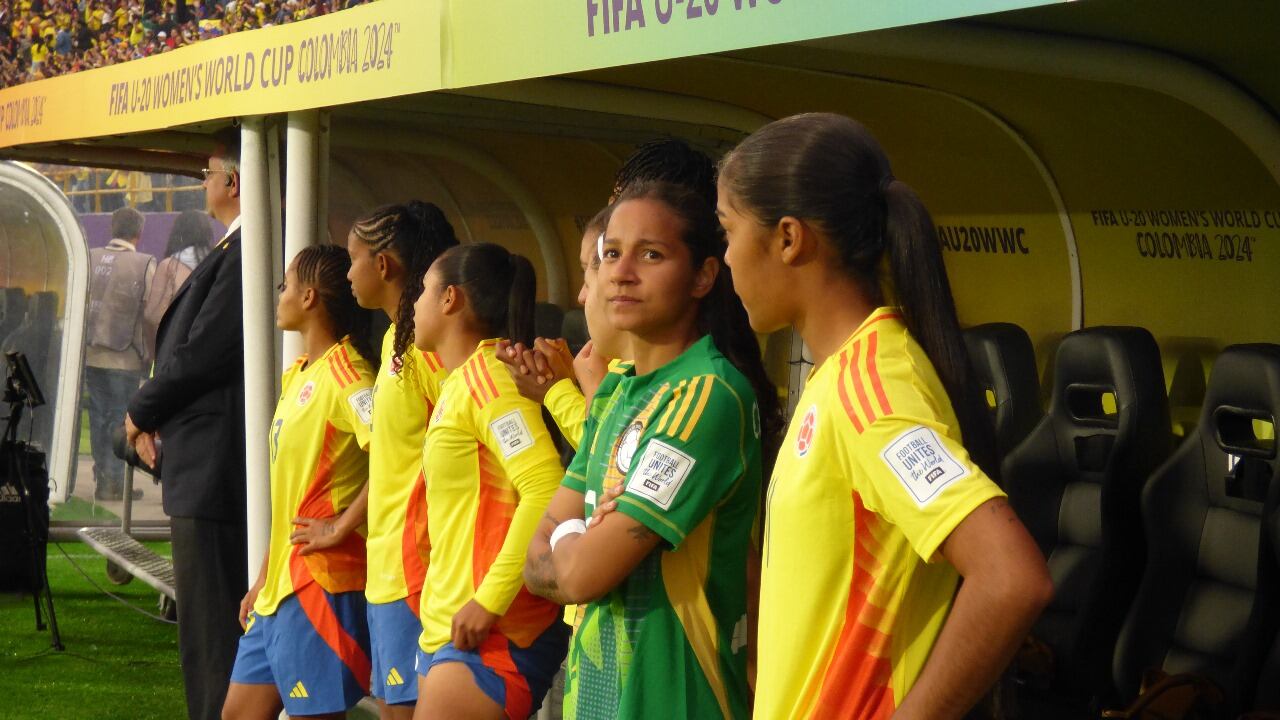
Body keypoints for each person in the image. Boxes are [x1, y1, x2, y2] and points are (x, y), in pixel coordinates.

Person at [715, 112, 1053, 719]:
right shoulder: (843, 376)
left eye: (728, 230)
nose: (727, 260)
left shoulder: (872, 393)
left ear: (789, 239)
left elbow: (1009, 577)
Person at [523, 180, 781, 719]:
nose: (621, 271)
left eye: (652, 254)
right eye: (611, 254)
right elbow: (535, 563)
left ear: (704, 275)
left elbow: (576, 576)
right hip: (596, 699)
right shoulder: (614, 394)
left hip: (673, 702)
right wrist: (581, 540)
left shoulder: (706, 395)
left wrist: (571, 540)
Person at [410, 243, 569, 720]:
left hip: (493, 632)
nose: (414, 304)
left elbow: (544, 487)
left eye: (422, 290)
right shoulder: (460, 381)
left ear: (449, 299)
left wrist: (488, 601)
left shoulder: (488, 380)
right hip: (452, 626)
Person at [222, 245, 378, 720]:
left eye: (285, 285)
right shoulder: (299, 374)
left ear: (309, 297)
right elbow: (292, 494)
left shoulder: (351, 374)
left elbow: (400, 459)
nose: (280, 294)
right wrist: (263, 578)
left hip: (319, 583)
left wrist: (340, 527)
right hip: (279, 588)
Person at [125, 127, 247, 720]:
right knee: (206, 631)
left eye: (207, 173)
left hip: (215, 463)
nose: (203, 184)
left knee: (213, 635)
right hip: (203, 459)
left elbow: (202, 353)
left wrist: (141, 411)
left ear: (234, 180)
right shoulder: (233, 248)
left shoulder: (248, 251)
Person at [343, 201, 459, 719]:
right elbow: (396, 459)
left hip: (418, 567)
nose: (348, 273)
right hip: (387, 565)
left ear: (384, 264)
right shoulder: (397, 336)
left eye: (353, 259)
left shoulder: (429, 351)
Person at [85, 206, 155, 501]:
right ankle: (113, 483)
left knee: (99, 418)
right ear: (139, 233)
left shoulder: (90, 257)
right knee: (119, 420)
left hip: (90, 353)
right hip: (124, 357)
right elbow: (152, 311)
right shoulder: (144, 263)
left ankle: (104, 477)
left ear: (112, 228)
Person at [142, 208, 214, 361]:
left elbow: (152, 316)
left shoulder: (169, 266)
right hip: (211, 354)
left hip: (174, 355)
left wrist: (154, 354)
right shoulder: (219, 262)